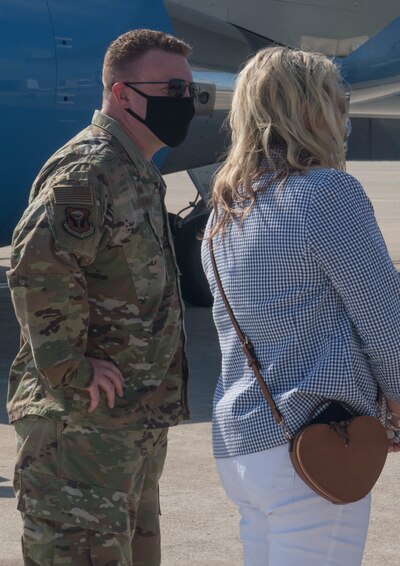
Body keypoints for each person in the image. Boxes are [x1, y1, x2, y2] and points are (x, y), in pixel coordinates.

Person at [202, 46, 400, 565]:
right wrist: (399, 408)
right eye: (339, 105)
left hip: (244, 445)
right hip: (310, 447)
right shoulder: (325, 193)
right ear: (309, 111)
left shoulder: (224, 213)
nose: (344, 119)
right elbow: (386, 321)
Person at [6, 29, 194, 564]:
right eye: (171, 89)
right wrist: (70, 367)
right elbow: (37, 267)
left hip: (126, 427)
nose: (184, 103)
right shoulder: (91, 170)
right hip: (81, 430)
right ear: (122, 93)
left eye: (189, 92)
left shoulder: (133, 168)